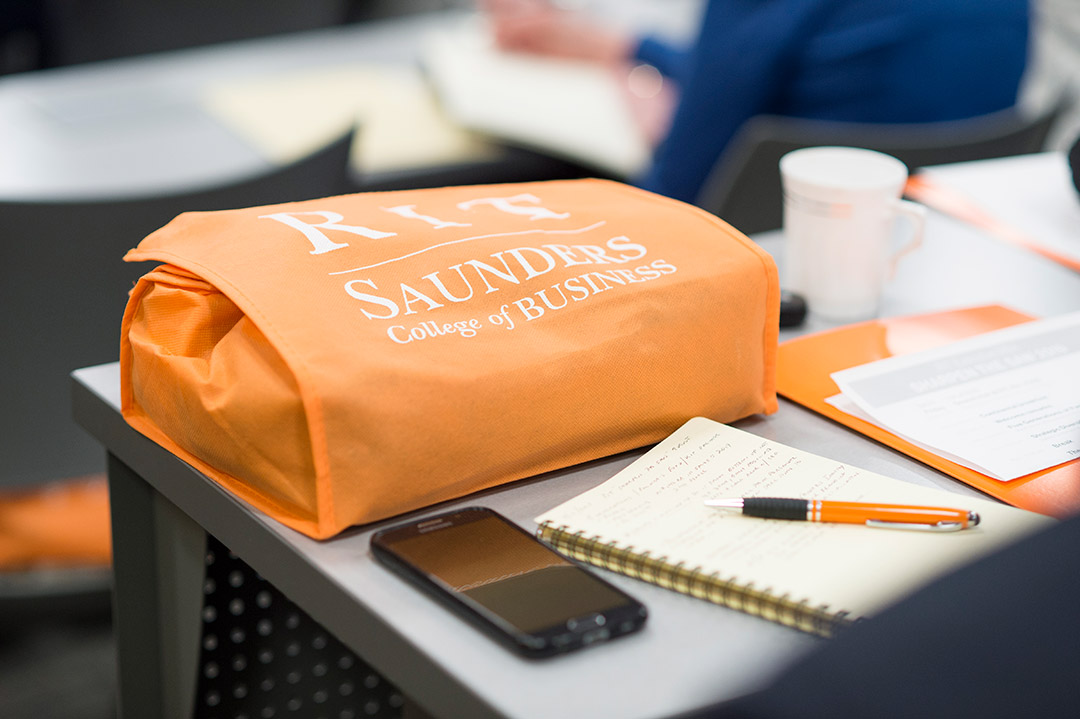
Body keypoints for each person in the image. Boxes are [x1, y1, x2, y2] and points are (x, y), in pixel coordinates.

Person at [485, 0, 1031, 204]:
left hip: (769, 272)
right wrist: (631, 47)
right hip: (941, 248)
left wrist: (649, 117)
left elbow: (676, 197)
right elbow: (793, 53)